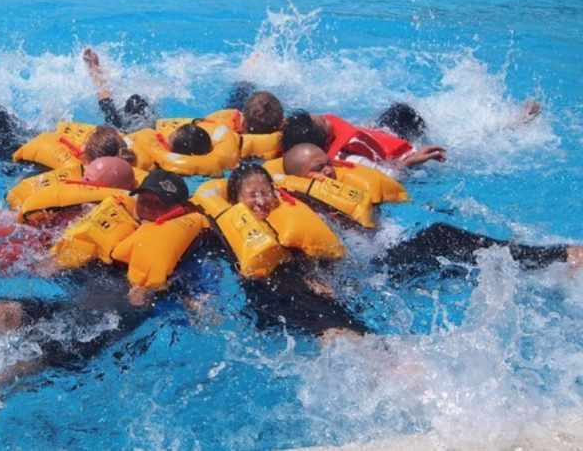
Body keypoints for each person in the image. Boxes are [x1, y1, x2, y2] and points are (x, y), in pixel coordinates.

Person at [0, 170, 196, 377]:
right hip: (66, 306)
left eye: (159, 205)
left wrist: (151, 300)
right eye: (145, 201)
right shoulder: (109, 222)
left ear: (178, 212)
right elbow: (54, 263)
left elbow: (192, 307)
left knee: (21, 366)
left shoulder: (183, 255)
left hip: (100, 330)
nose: (148, 210)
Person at [281, 143, 583, 274]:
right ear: (298, 179)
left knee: (462, 254)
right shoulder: (303, 207)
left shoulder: (342, 186)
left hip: (402, 248)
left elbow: (378, 183)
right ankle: (559, 256)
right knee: (441, 236)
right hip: (380, 267)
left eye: (329, 164)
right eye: (319, 169)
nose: (331, 172)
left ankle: (534, 263)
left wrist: (409, 162)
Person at [225, 162, 369, 337]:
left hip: (309, 294)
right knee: (335, 330)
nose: (261, 201)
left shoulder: (290, 222)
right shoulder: (226, 235)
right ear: (235, 201)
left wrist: (319, 279)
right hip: (268, 298)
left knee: (346, 329)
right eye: (252, 195)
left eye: (266, 193)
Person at [281, 109, 447, 169]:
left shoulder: (295, 148)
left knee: (398, 112)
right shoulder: (349, 159)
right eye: (324, 121)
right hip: (394, 153)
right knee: (405, 115)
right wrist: (412, 161)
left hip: (377, 137)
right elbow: (389, 175)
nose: (328, 118)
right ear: (325, 143)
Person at [84, 48, 155, 133]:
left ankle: (95, 71)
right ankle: (96, 72)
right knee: (135, 101)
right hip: (137, 133)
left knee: (110, 110)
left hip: (120, 133)